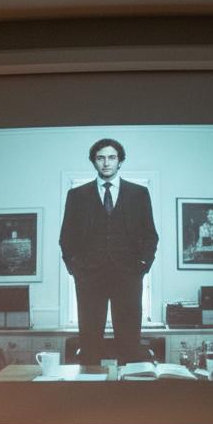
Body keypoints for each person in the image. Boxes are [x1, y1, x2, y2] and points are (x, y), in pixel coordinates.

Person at [59, 139, 159, 365]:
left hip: (128, 275)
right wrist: (76, 269)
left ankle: (129, 384)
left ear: (120, 161)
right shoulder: (77, 195)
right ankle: (89, 384)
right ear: (94, 161)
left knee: (129, 339)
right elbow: (66, 237)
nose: (106, 163)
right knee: (89, 339)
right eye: (100, 158)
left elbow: (150, 235)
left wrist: (143, 265)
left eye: (112, 157)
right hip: (89, 276)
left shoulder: (139, 193)